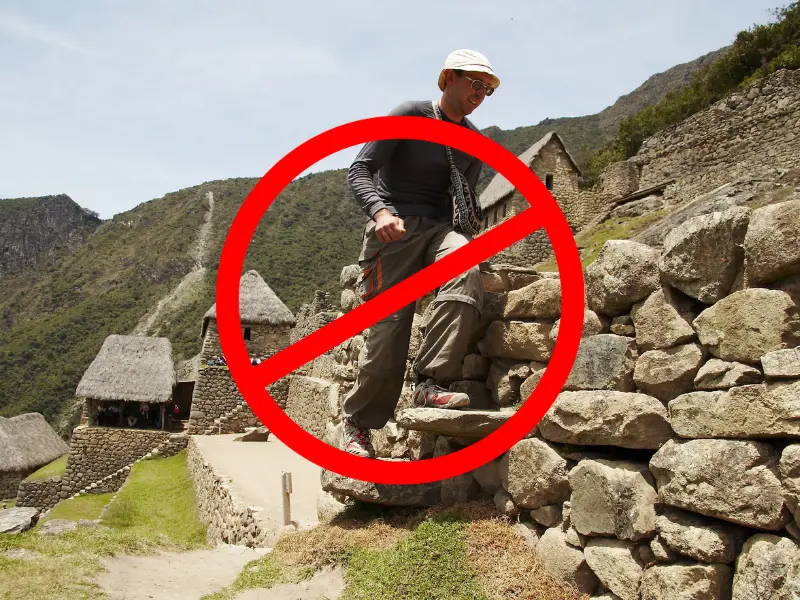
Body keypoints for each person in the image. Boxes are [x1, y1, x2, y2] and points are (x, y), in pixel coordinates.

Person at [342, 49, 500, 458]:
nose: (480, 93)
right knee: (388, 334)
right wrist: (379, 212)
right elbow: (358, 169)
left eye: (488, 89)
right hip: (392, 233)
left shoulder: (474, 142)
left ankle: (430, 384)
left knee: (464, 271)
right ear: (448, 78)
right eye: (474, 83)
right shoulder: (410, 113)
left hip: (439, 231)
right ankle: (357, 425)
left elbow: (463, 201)